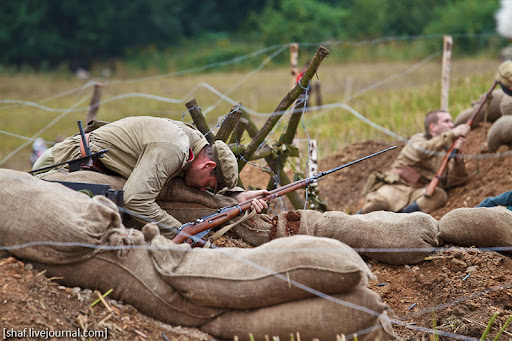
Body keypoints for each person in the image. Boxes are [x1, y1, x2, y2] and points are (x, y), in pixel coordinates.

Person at [32, 116, 269, 235]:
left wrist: (237, 196)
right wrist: (181, 233)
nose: (205, 190)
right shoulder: (174, 148)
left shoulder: (193, 145)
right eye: (211, 184)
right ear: (207, 165)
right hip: (64, 164)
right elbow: (135, 200)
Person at [360, 109, 471, 214]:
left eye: (451, 121)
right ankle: (355, 220)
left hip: (420, 190)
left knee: (439, 195)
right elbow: (422, 151)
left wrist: (458, 159)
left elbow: (458, 180)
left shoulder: (447, 151)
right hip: (398, 186)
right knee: (379, 203)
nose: (451, 125)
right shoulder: (418, 140)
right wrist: (452, 134)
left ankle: (402, 218)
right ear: (433, 126)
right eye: (446, 121)